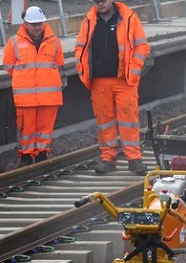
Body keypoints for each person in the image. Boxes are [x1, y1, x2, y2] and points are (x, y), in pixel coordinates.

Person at [74, 0, 150, 174]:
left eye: (103, 1)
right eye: (96, 1)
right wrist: (82, 69)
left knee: (129, 119)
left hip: (124, 79)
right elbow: (80, 47)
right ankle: (108, 159)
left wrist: (134, 68)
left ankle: (134, 159)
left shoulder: (129, 17)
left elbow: (142, 46)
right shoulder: (89, 20)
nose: (99, 4)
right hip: (99, 80)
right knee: (104, 121)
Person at [3, 6, 65, 167]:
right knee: (27, 129)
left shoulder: (54, 42)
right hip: (26, 98)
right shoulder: (14, 43)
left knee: (45, 129)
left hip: (48, 97)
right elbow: (9, 67)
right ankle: (26, 156)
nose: (37, 27)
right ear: (25, 24)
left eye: (40, 24)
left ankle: (42, 155)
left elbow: (59, 64)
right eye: (34, 24)